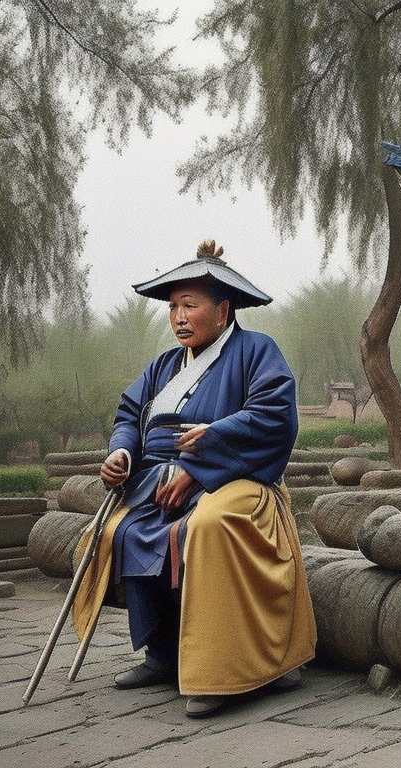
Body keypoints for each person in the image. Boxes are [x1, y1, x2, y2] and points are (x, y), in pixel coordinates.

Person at [72, 239, 316, 718]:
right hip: (157, 481)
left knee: (206, 528)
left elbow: (274, 419)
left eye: (190, 305)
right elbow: (129, 413)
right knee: (120, 531)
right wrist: (121, 452)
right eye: (173, 306)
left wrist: (201, 460)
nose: (178, 317)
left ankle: (223, 670)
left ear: (223, 310)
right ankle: (163, 653)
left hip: (239, 480)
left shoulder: (257, 352)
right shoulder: (164, 366)